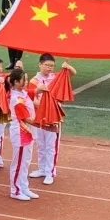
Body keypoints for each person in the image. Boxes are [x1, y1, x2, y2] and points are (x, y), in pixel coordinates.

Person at [28, 55, 75, 185]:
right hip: (39, 118)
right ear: (40, 64)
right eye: (47, 65)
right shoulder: (34, 80)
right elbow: (33, 99)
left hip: (53, 117)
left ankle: (50, 172)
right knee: (41, 144)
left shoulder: (55, 77)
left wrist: (67, 67)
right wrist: (44, 105)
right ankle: (42, 169)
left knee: (51, 146)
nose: (49, 68)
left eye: (52, 66)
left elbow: (71, 73)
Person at [7, 69, 41, 201]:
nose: (26, 82)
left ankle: (24, 187)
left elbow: (31, 93)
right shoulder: (15, 98)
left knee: (26, 162)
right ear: (16, 82)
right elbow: (26, 118)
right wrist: (44, 121)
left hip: (28, 131)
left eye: (27, 79)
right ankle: (15, 190)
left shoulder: (23, 92)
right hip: (21, 132)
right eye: (24, 80)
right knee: (18, 163)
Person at [1, 0, 26, 69]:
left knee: (19, 39)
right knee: (9, 40)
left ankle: (17, 60)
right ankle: (11, 60)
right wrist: (3, 19)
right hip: (9, 17)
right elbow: (3, 4)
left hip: (20, 18)